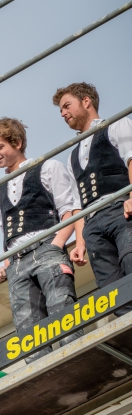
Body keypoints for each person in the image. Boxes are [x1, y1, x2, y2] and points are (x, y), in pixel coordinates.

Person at [0, 117, 85, 361]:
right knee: (29, 334)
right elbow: (7, 232)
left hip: (46, 249)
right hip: (17, 263)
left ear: (16, 143)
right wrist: (7, 264)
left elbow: (68, 211)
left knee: (63, 313)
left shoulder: (48, 167)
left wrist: (55, 245)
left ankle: (80, 366)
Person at [53, 82, 132, 313]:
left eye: (67, 106)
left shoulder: (116, 124)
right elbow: (77, 203)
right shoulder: (73, 155)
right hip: (93, 225)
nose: (63, 113)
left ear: (86, 101)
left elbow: (131, 159)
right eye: (60, 110)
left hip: (121, 208)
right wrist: (80, 241)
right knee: (112, 290)